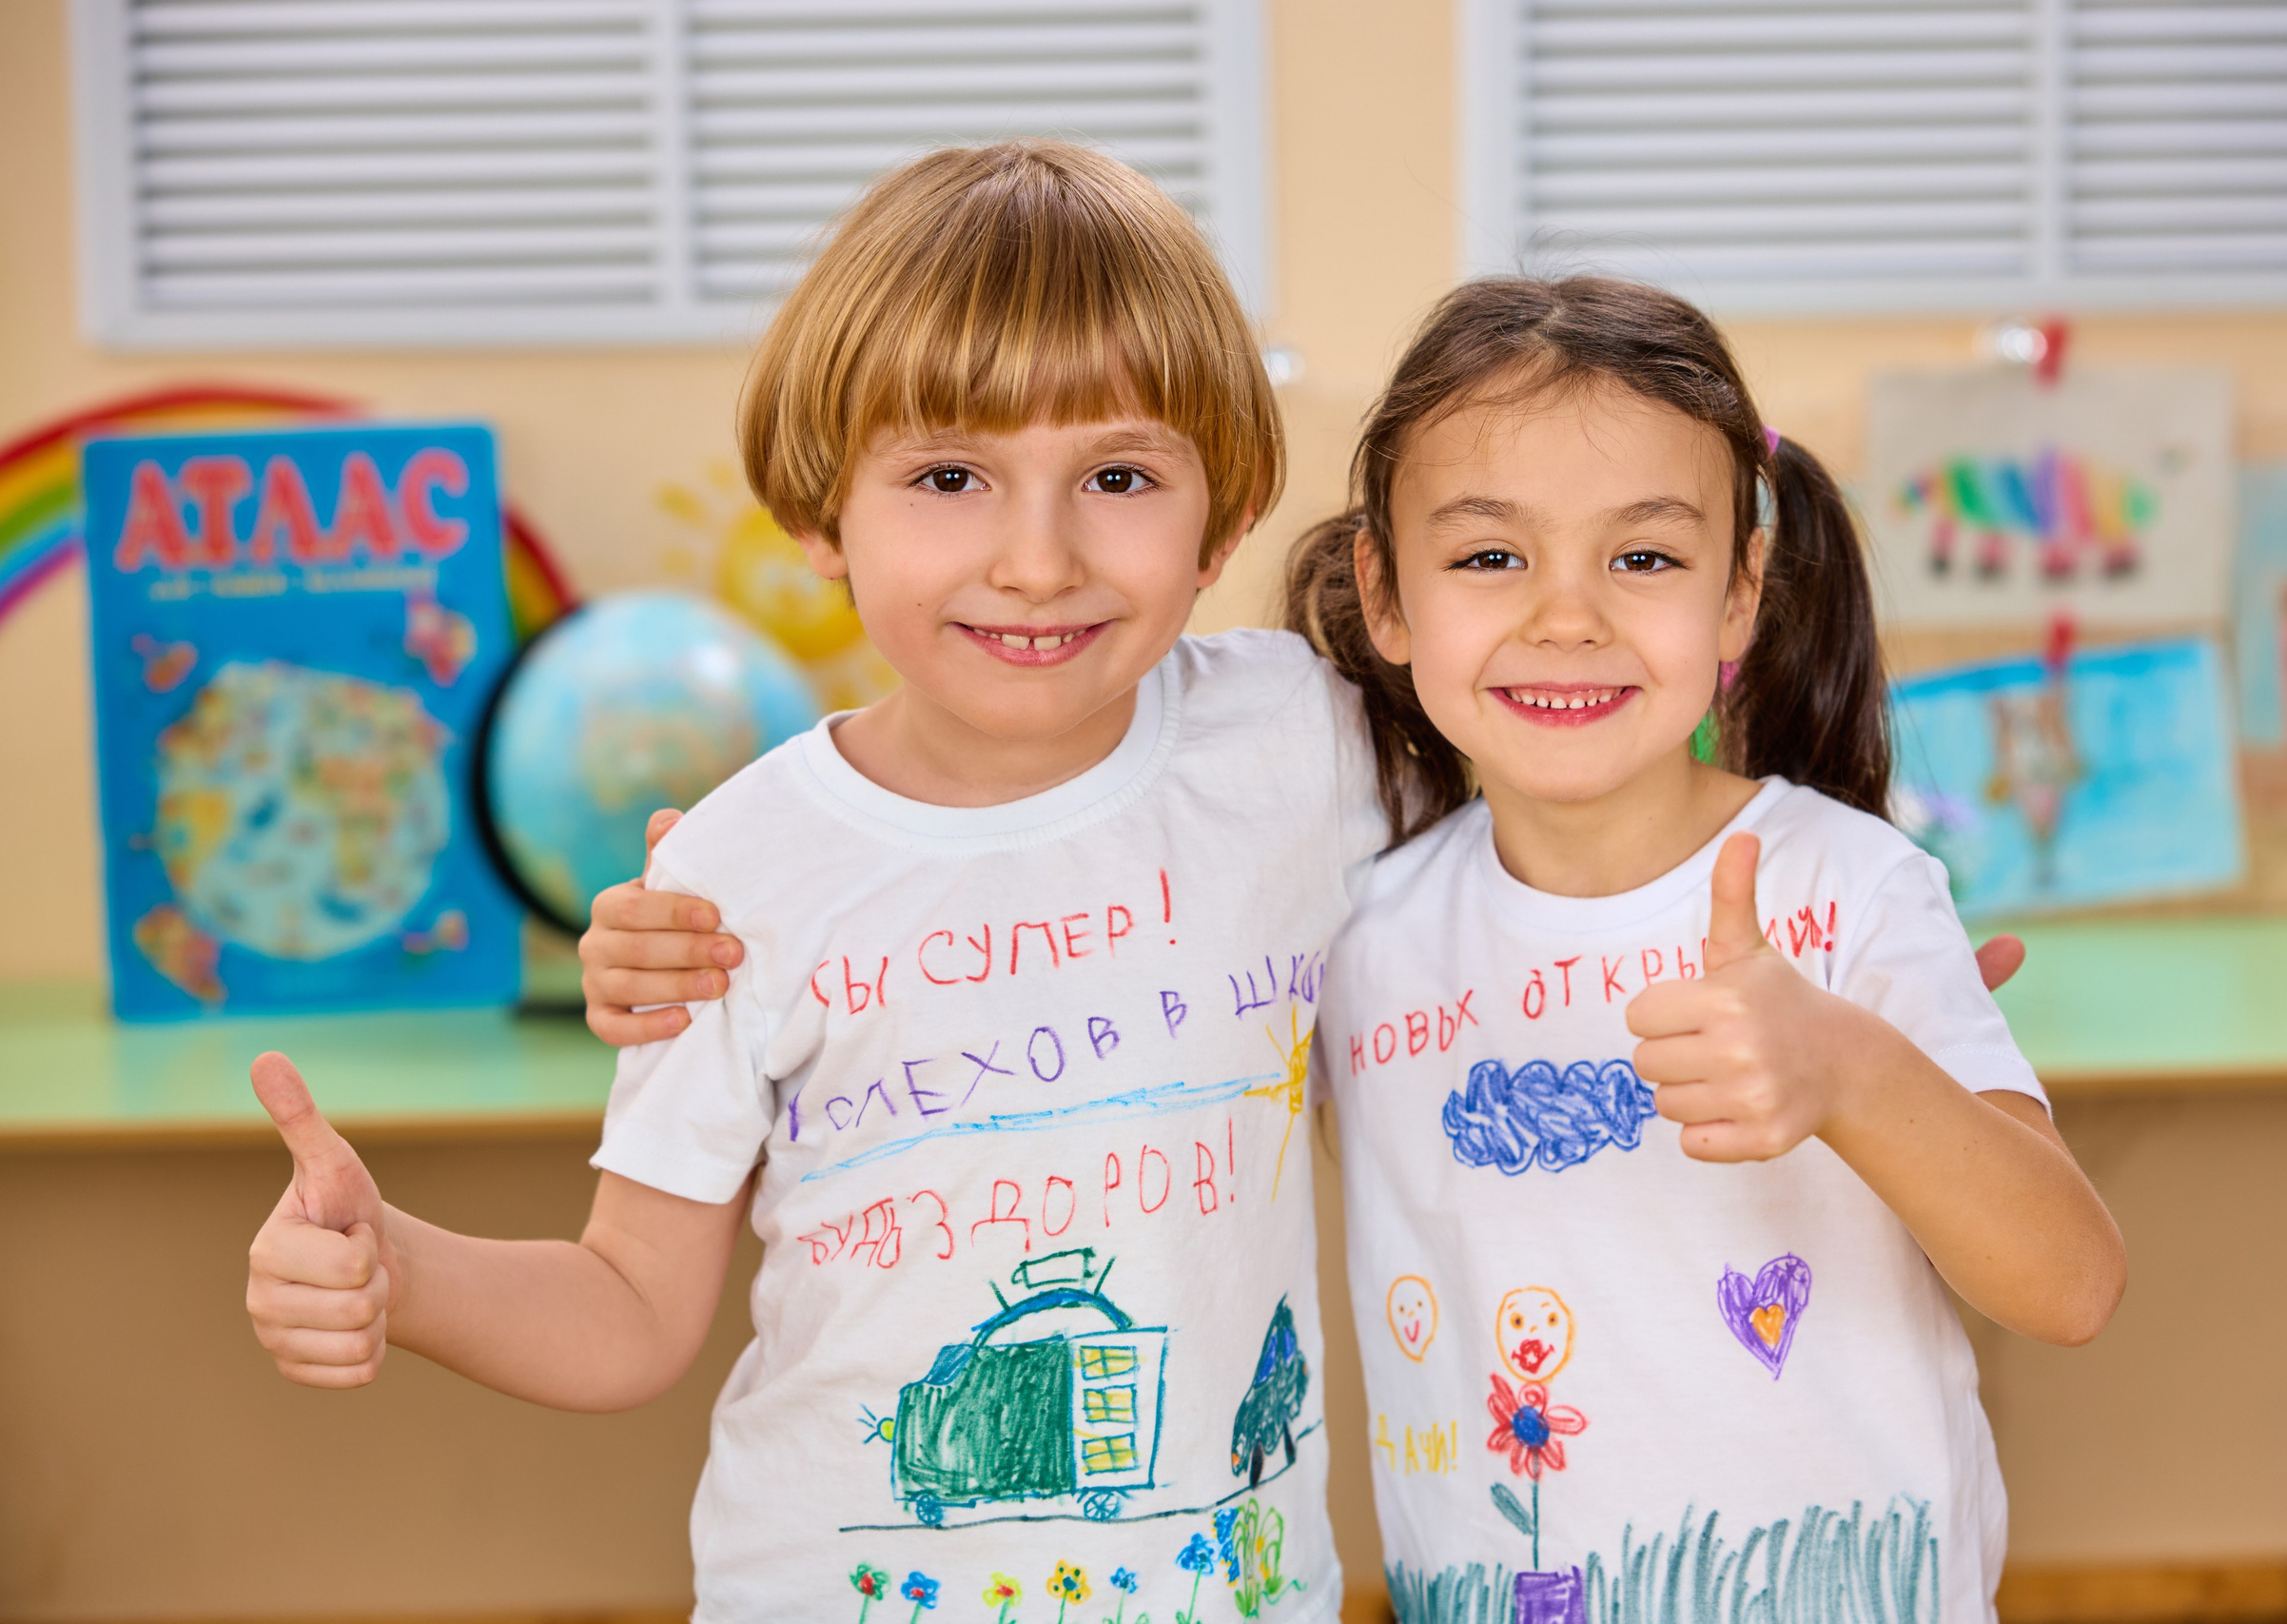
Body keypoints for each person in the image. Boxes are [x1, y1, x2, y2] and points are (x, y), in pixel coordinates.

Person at [242, 142, 1380, 1624]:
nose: (1036, 560)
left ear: (1223, 517)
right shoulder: (726, 881)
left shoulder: (1302, 739)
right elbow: (632, 1310)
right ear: (819, 518)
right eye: (949, 477)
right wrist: (396, 1264)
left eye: (1117, 475)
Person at [1284, 277, 2123, 1624]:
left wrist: (1855, 1071)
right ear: (1387, 596)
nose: (1569, 617)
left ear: (1740, 599)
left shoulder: (1847, 885)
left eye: (1645, 557)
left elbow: (2071, 1285)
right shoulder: (1361, 938)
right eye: (1491, 556)